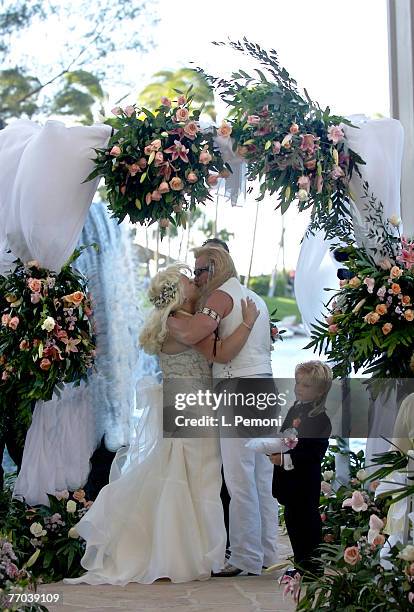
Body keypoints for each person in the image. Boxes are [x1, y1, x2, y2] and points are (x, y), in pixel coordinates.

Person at [65, 263, 259, 585]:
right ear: (179, 292)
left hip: (186, 405)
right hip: (192, 407)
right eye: (188, 278)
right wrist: (248, 324)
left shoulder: (176, 321)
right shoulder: (182, 324)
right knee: (200, 479)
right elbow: (222, 353)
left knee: (188, 477)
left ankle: (191, 550)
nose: (194, 281)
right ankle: (192, 553)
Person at [167, 246, 279, 577]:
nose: (197, 277)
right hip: (264, 386)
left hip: (237, 390)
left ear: (215, 268)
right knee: (262, 478)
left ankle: (245, 557)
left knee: (239, 477)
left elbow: (193, 335)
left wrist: (174, 314)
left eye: (200, 270)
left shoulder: (220, 298)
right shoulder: (253, 298)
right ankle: (267, 552)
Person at [271, 360, 332, 579]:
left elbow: (312, 453)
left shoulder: (320, 419)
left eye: (305, 386)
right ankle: (301, 563)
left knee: (307, 523)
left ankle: (312, 567)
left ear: (320, 391)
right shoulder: (296, 408)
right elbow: (284, 432)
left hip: (305, 480)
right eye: (298, 383)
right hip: (290, 480)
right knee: (293, 522)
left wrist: (284, 459)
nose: (298, 388)